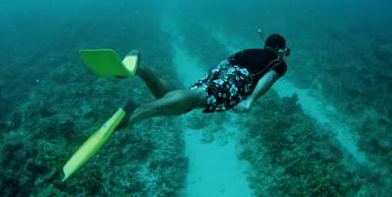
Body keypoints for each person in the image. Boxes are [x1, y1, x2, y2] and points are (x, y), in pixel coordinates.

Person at [122, 33, 289, 127]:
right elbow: (268, 78)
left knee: (185, 103)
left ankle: (141, 69)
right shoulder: (278, 62)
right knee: (194, 98)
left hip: (221, 70)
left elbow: (224, 63)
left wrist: (213, 80)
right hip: (240, 78)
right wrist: (249, 100)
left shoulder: (247, 51)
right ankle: (136, 112)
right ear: (280, 50)